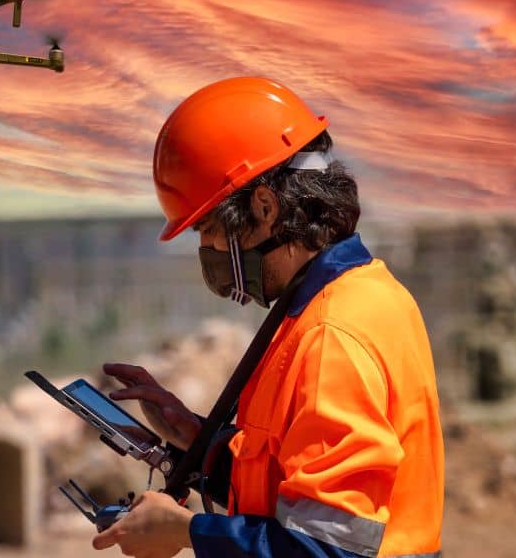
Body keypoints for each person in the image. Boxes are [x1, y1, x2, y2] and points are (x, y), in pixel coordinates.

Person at [93, 77, 444, 558]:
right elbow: (292, 488)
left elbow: (329, 550)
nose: (208, 250)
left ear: (264, 206)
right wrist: (197, 440)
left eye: (208, 229)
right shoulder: (365, 293)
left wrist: (186, 531)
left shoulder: (329, 336)